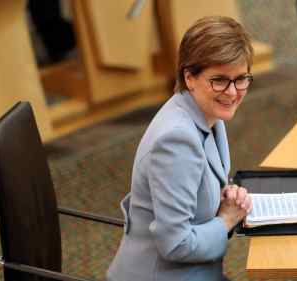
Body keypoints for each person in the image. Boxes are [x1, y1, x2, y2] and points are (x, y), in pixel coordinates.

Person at [107, 16, 254, 281]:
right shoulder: (176, 140)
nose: (232, 92)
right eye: (219, 80)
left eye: (241, 78)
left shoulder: (206, 113)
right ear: (189, 77)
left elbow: (196, 184)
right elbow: (176, 244)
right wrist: (227, 220)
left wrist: (225, 198)